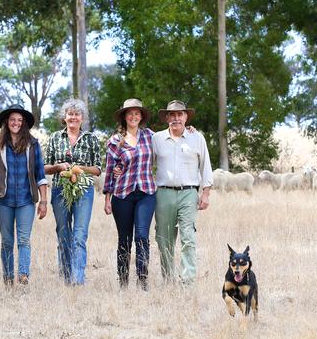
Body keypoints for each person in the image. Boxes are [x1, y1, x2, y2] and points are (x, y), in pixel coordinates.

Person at [0, 104, 48, 287]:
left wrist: (43, 201)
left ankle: (23, 274)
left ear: (24, 123)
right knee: (6, 240)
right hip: (3, 199)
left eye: (20, 120)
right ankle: (8, 277)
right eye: (13, 119)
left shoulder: (33, 144)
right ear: (6, 122)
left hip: (26, 199)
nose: (16, 123)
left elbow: (40, 175)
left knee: (23, 239)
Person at [152, 100, 213, 286]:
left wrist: (206, 193)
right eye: (172, 115)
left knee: (188, 238)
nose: (176, 118)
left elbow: (206, 166)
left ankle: (187, 282)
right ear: (167, 118)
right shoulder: (157, 139)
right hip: (163, 194)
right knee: (164, 239)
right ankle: (169, 280)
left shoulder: (197, 138)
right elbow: (145, 164)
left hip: (189, 193)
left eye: (180, 114)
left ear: (186, 117)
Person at [45, 99, 101, 286]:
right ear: (64, 117)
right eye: (70, 114)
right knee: (63, 233)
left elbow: (98, 169)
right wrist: (58, 167)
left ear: (82, 118)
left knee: (79, 234)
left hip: (84, 190)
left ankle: (78, 279)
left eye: (77, 114)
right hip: (60, 189)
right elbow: (44, 167)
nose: (73, 117)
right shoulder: (54, 138)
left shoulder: (91, 139)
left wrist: (80, 169)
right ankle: (66, 276)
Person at [103, 98, 156, 290]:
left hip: (146, 192)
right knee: (124, 238)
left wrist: (188, 130)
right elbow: (110, 170)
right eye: (130, 113)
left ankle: (143, 280)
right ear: (124, 117)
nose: (133, 116)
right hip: (122, 194)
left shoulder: (150, 136)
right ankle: (123, 281)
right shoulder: (115, 141)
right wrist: (107, 197)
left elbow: (170, 140)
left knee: (142, 236)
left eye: (137, 113)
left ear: (141, 117)